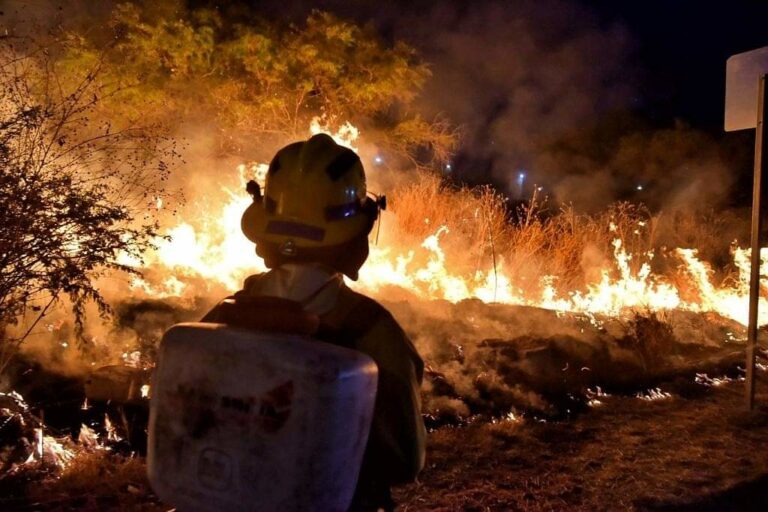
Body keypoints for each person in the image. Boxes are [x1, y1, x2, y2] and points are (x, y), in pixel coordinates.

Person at [201, 133, 426, 511]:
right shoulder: (372, 331)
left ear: (264, 227)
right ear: (359, 232)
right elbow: (403, 461)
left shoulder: (220, 319)